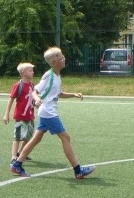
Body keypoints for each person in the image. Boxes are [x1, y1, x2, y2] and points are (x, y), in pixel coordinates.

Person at [9, 47, 96, 179]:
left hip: (47, 112)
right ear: (54, 63)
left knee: (36, 138)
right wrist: (37, 99)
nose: (64, 59)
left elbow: (59, 93)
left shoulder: (56, 76)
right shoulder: (48, 75)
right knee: (66, 138)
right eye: (61, 58)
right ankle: (78, 170)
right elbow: (35, 91)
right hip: (48, 113)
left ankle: (17, 164)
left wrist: (74, 94)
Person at [2, 62, 36, 161]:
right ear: (23, 72)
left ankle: (21, 152)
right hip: (20, 115)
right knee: (17, 136)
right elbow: (11, 99)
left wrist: (36, 103)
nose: (33, 72)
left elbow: (32, 99)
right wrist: (6, 114)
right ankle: (13, 156)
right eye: (30, 70)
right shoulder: (18, 85)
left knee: (28, 136)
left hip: (30, 115)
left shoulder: (32, 85)